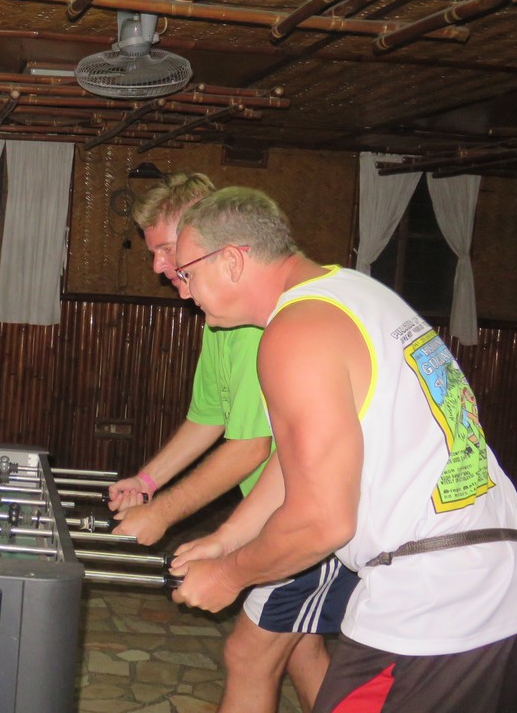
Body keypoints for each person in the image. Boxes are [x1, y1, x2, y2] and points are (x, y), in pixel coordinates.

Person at [168, 187, 517, 712]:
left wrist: (229, 575)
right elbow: (298, 461)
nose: (182, 291)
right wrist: (227, 538)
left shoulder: (296, 332)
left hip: (433, 604)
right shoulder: (352, 292)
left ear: (233, 261)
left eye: (186, 272)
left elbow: (322, 523)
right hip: (490, 577)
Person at [106, 173, 356, 713]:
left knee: (249, 654)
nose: (159, 267)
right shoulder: (220, 317)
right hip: (276, 508)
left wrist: (166, 517)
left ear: (214, 241)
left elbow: (253, 447)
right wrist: (147, 482)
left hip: (306, 516)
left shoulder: (260, 322)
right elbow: (210, 418)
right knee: (298, 648)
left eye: (168, 251)